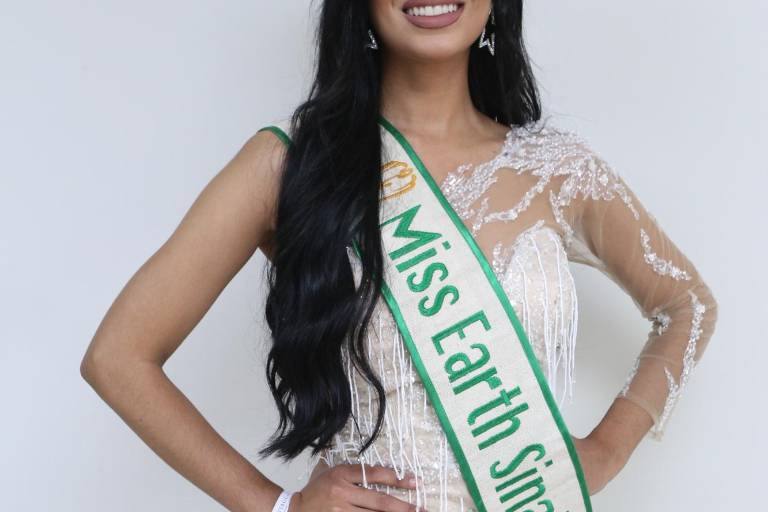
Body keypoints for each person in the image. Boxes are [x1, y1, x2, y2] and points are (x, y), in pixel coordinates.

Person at [80, 1, 719, 511]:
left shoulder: (559, 171)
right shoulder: (290, 165)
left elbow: (688, 304)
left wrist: (607, 449)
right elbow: (118, 357)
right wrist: (276, 506)